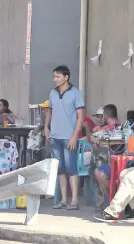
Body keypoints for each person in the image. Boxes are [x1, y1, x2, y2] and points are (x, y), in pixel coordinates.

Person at [94, 112, 134, 209]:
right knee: (99, 171)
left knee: (103, 173)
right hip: (133, 163)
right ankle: (114, 201)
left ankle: (118, 204)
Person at [45, 65, 84, 210]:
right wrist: (46, 127)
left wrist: (74, 136)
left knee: (71, 168)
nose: (55, 79)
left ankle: (74, 200)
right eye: (54, 76)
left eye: (58, 76)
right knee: (60, 169)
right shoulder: (52, 93)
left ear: (66, 77)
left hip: (69, 137)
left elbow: (80, 117)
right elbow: (50, 111)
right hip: (55, 137)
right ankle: (63, 199)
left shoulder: (76, 94)